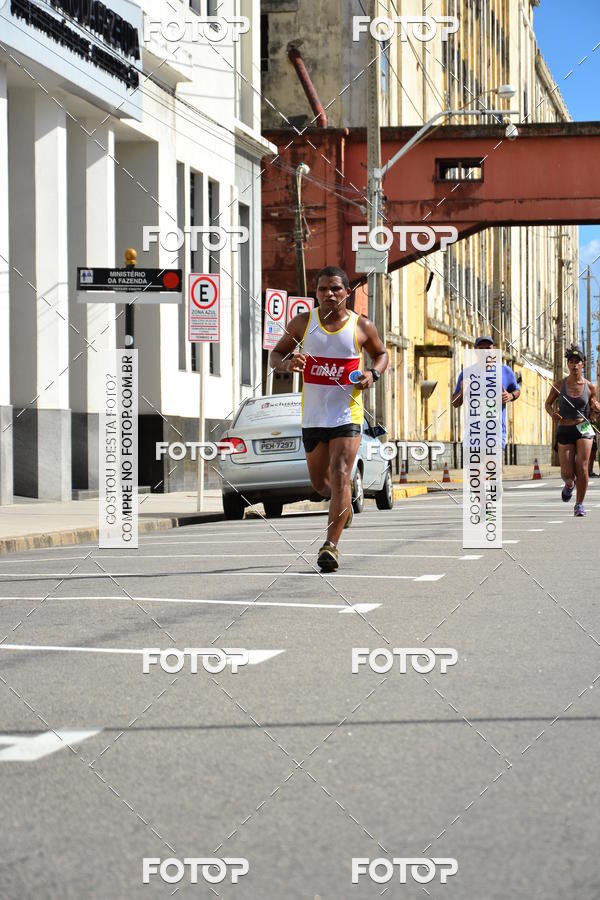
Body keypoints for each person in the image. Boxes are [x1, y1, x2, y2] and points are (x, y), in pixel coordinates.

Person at [269, 266, 388, 572]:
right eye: (322, 289)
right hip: (313, 417)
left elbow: (382, 355)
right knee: (321, 484)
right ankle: (343, 506)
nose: (329, 294)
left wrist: (372, 374)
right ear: (316, 293)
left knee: (341, 474)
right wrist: (288, 360)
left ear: (347, 293)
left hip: (347, 414)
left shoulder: (362, 326)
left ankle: (330, 546)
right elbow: (276, 354)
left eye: (335, 289)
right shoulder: (302, 323)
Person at [545, 344, 600, 517]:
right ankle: (569, 485)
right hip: (565, 428)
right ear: (568, 365)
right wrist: (553, 414)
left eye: (578, 362)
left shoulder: (590, 387)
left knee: (582, 467)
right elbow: (547, 404)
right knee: (567, 473)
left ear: (583, 364)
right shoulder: (559, 385)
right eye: (571, 361)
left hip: (583, 426)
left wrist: (596, 408)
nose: (574, 365)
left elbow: (594, 408)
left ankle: (579, 504)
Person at [451, 335, 520, 451]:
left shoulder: (505, 371)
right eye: (481, 349)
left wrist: (510, 396)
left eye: (488, 347)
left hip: (495, 433)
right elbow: (454, 403)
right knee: (475, 469)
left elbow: (517, 391)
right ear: (476, 352)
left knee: (492, 468)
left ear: (493, 350)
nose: (485, 351)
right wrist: (462, 392)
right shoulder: (467, 373)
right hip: (474, 433)